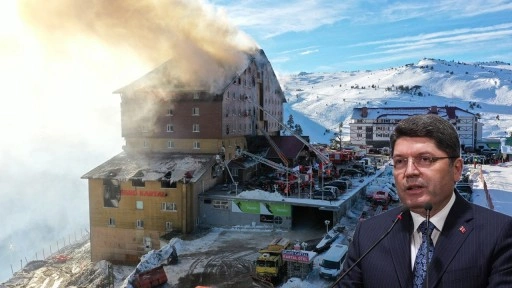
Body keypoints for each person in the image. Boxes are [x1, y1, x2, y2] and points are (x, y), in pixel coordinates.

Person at [336, 114, 512, 287]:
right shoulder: (368, 234)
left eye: (425, 159)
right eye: (400, 161)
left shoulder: (498, 234)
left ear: (456, 169)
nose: (410, 171)